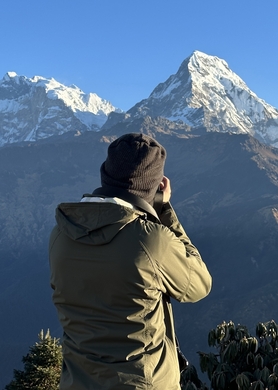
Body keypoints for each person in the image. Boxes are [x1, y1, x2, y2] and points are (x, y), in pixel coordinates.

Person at [49, 132, 212, 390]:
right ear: (156, 185)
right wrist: (164, 210)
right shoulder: (151, 240)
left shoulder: (62, 234)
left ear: (105, 175)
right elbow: (199, 285)